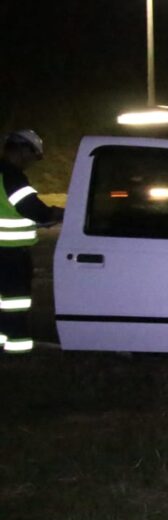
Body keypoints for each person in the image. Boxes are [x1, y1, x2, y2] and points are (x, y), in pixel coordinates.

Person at [0, 130, 64, 354]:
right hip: (10, 254)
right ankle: (17, 349)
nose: (32, 162)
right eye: (33, 156)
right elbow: (30, 207)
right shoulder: (11, 176)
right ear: (22, 149)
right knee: (15, 301)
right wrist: (54, 214)